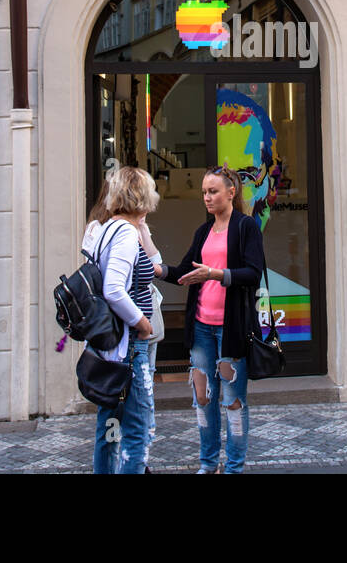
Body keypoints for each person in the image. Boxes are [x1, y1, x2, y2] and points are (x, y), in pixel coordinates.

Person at [155, 165, 264, 474]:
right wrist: (159, 270)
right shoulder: (203, 232)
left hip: (231, 331)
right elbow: (184, 273)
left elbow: (253, 274)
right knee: (203, 399)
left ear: (232, 192)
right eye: (204, 192)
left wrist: (215, 274)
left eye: (213, 191)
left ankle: (233, 468)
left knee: (232, 401)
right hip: (201, 328)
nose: (207, 197)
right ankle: (207, 465)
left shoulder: (246, 227)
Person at [89, 166, 158, 475]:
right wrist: (142, 323)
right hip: (129, 346)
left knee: (109, 426)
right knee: (136, 428)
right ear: (142, 196)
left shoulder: (104, 229)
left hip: (109, 344)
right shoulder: (126, 234)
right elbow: (114, 289)